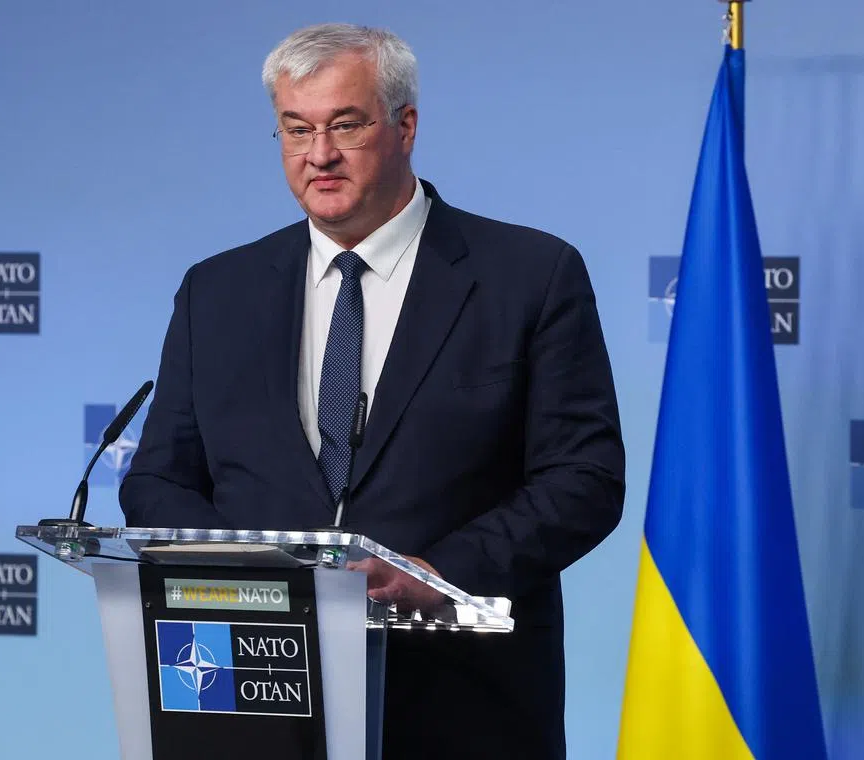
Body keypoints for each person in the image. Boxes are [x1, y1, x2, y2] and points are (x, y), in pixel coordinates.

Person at [120, 22, 625, 759]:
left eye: (345, 125)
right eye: (296, 129)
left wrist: (439, 575)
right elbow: (159, 481)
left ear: (405, 126)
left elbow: (583, 479)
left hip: (461, 707)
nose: (318, 154)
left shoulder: (529, 275)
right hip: (253, 701)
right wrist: (252, 582)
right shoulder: (216, 291)